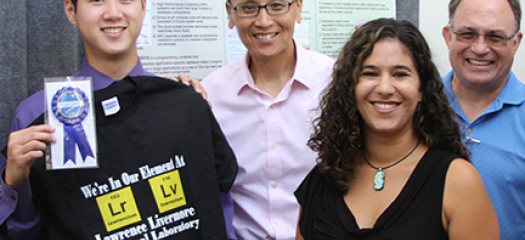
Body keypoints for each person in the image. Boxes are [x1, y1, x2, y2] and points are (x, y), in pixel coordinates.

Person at [0, 0, 237, 239]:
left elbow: (216, 207)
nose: (113, 13)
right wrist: (14, 182)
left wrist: (192, 113)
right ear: (71, 11)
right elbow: (25, 231)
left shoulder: (183, 103)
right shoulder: (36, 117)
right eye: (97, 0)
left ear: (143, 8)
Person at [294, 18, 499, 239]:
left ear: (422, 89)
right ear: (351, 87)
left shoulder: (457, 181)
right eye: (370, 73)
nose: (384, 88)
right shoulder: (324, 177)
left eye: (400, 74)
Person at [201, 0, 334, 239]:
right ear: (231, 15)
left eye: (276, 5)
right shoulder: (211, 95)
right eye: (249, 7)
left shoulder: (334, 84)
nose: (263, 21)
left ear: (298, 8)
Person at [441, 0, 524, 238]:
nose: (479, 48)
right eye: (467, 34)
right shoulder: (417, 106)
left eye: (495, 37)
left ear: (516, 42)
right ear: (448, 36)